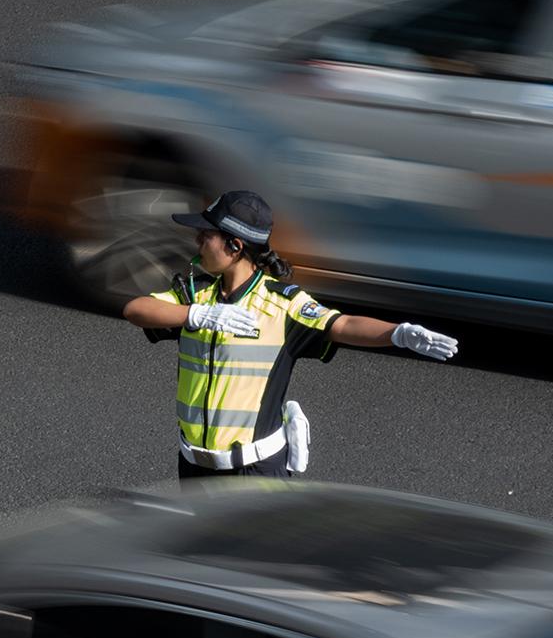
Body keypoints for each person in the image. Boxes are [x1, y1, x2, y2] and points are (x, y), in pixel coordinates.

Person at [121, 190, 458, 481]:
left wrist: (397, 334)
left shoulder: (282, 304)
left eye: (206, 234)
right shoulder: (197, 295)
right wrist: (196, 314)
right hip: (193, 467)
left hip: (254, 473)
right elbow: (136, 309)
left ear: (235, 246)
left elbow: (341, 325)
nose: (197, 241)